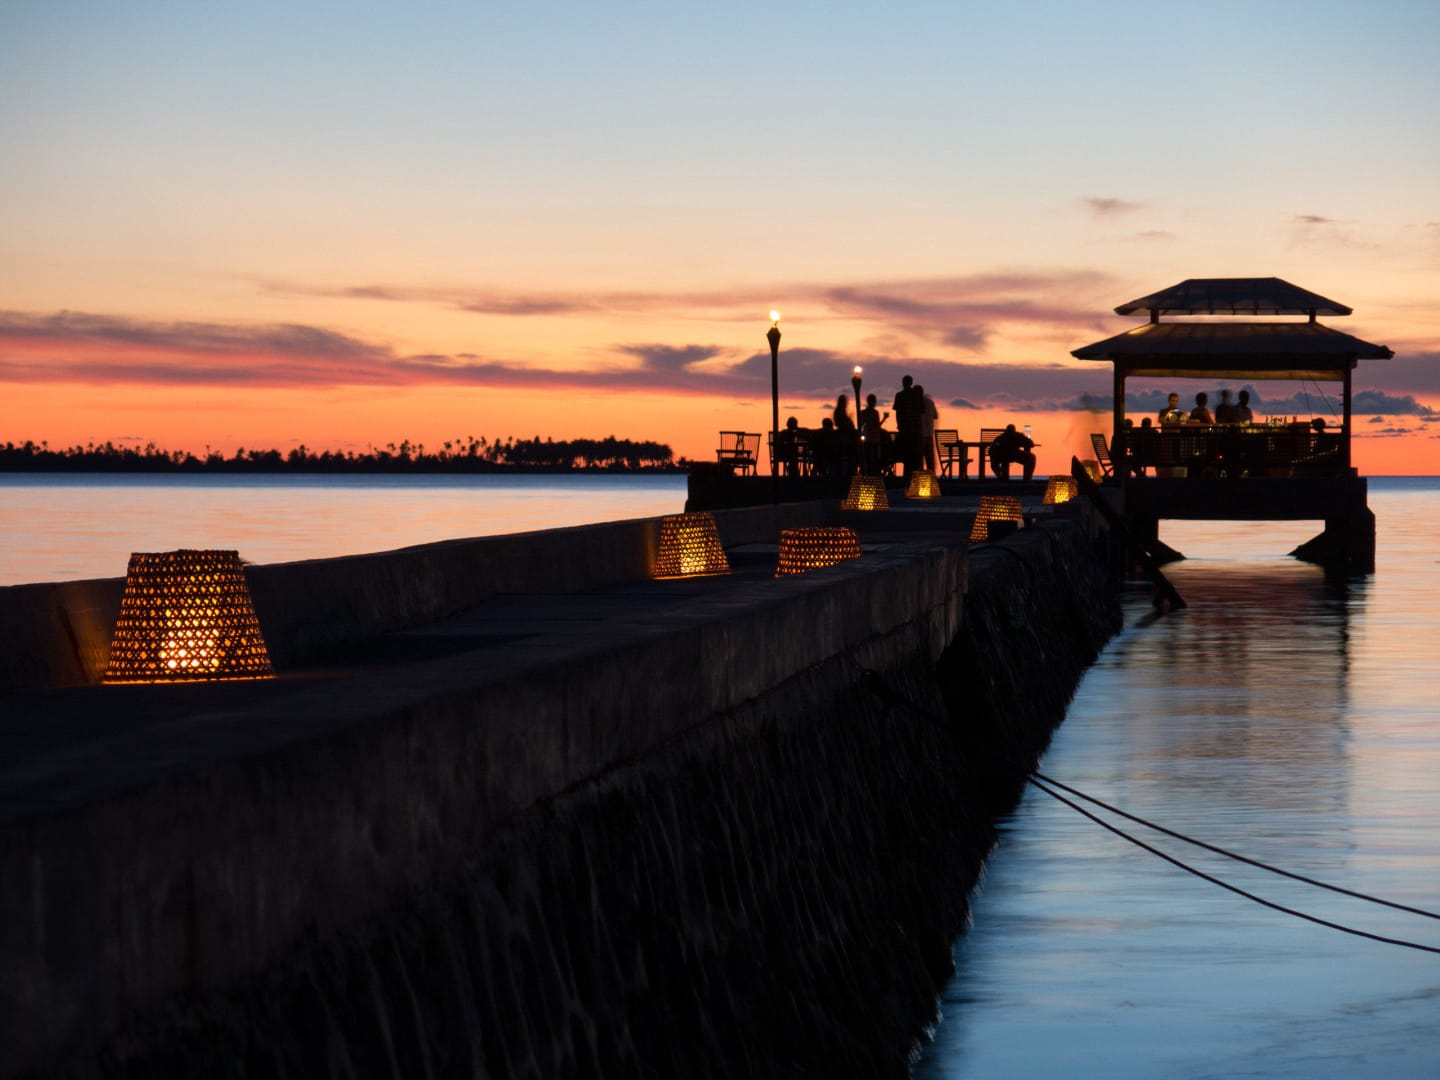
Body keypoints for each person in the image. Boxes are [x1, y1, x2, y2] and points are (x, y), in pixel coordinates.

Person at [892, 374, 924, 475]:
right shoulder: (916, 396)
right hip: (915, 428)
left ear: (903, 383)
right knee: (914, 453)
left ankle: (906, 474)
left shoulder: (899, 395)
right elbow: (922, 410)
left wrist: (899, 424)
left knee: (906, 453)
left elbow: (897, 413)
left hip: (905, 428)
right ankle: (913, 474)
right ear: (911, 383)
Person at [859, 393, 889, 474]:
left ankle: (868, 472)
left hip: (867, 437)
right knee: (875, 457)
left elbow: (861, 425)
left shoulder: (863, 412)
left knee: (868, 457)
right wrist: (884, 418)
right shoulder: (875, 413)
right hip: (875, 438)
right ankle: (875, 473)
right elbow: (877, 426)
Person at [917, 385, 939, 473]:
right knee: (929, 457)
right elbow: (935, 416)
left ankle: (919, 475)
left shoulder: (916, 403)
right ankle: (931, 474)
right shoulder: (930, 402)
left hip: (920, 434)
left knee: (919, 457)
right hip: (929, 433)